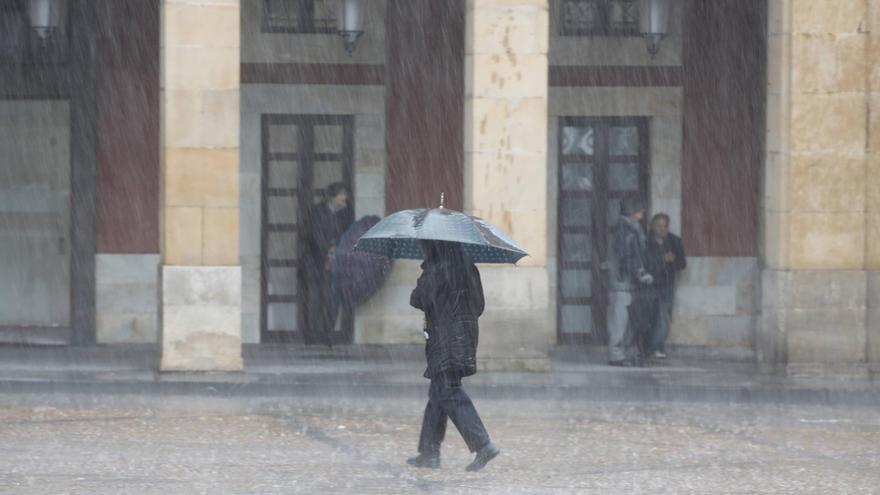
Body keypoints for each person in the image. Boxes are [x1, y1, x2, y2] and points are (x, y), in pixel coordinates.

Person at [406, 240, 500, 472]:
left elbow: (418, 298)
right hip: (465, 336)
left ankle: (482, 444)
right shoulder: (468, 265)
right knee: (439, 392)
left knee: (448, 390)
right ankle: (429, 452)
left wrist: (427, 289)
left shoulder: (437, 267)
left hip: (445, 338)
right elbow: (478, 305)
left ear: (433, 246)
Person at [301, 182, 353, 345]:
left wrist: (339, 247)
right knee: (315, 298)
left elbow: (350, 234)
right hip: (316, 262)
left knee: (333, 299)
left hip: (337, 262)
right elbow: (312, 234)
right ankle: (312, 334)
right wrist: (327, 248)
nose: (345, 198)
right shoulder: (317, 212)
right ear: (332, 197)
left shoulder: (346, 213)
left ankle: (328, 334)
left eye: (345, 194)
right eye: (341, 194)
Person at [606, 198, 654, 367]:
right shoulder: (626, 230)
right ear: (632, 212)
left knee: (621, 319)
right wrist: (639, 274)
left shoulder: (627, 229)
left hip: (622, 282)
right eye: (640, 211)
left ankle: (620, 353)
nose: (641, 215)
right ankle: (617, 354)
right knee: (620, 320)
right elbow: (627, 257)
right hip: (622, 282)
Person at [644, 213, 686, 359]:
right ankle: (648, 347)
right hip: (649, 284)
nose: (662, 229)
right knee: (650, 317)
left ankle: (656, 347)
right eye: (659, 226)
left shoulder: (674, 241)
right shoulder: (645, 241)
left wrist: (673, 260)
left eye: (665, 226)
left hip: (667, 284)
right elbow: (643, 262)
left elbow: (682, 264)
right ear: (653, 226)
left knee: (664, 317)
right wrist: (661, 259)